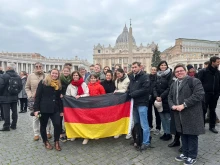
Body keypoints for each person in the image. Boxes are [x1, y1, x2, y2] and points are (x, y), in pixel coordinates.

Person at [168, 63, 205, 165]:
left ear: (185, 71)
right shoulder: (174, 84)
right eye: (177, 71)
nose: (179, 73)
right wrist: (172, 106)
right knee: (183, 134)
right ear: (174, 74)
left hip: (191, 113)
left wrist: (184, 104)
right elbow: (169, 97)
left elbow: (199, 94)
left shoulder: (194, 81)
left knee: (192, 135)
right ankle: (185, 152)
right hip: (179, 114)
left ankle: (192, 156)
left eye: (181, 71)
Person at [34, 68, 63, 151]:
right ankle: (45, 141)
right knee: (43, 126)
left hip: (55, 108)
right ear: (50, 74)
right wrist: (36, 109)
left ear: (58, 75)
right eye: (53, 73)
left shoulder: (59, 84)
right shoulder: (43, 82)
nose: (54, 75)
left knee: (57, 124)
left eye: (56, 74)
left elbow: (59, 99)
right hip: (44, 108)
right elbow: (38, 97)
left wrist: (61, 111)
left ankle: (56, 141)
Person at [25, 62, 52, 141]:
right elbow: (27, 87)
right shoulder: (30, 76)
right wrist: (30, 95)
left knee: (47, 117)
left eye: (40, 66)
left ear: (43, 67)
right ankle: (36, 133)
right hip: (34, 99)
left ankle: (48, 131)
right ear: (34, 67)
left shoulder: (47, 76)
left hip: (45, 99)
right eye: (37, 66)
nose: (38, 67)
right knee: (35, 117)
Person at [127, 62, 151, 150]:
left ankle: (146, 142)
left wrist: (132, 94)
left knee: (144, 124)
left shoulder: (145, 76)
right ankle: (138, 139)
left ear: (140, 67)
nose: (133, 69)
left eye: (135, 67)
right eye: (132, 67)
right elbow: (130, 88)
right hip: (134, 104)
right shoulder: (132, 77)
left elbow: (145, 89)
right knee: (136, 123)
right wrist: (128, 93)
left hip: (142, 103)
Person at [66, 71, 89, 144]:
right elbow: (68, 95)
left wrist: (80, 96)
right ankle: (75, 134)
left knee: (84, 121)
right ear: (72, 76)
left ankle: (86, 136)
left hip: (83, 105)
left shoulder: (83, 84)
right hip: (74, 106)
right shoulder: (70, 85)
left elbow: (87, 93)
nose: (75, 76)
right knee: (75, 120)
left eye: (76, 75)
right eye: (74, 75)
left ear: (79, 76)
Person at [198, 56, 220, 134]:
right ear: (212, 62)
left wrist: (218, 93)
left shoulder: (218, 72)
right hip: (205, 95)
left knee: (212, 110)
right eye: (217, 62)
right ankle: (201, 126)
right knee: (203, 110)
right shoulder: (203, 71)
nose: (219, 63)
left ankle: (212, 126)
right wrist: (201, 93)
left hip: (214, 95)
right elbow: (198, 83)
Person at [153, 61, 172, 141]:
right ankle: (165, 132)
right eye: (161, 65)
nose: (163, 66)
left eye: (165, 65)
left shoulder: (170, 74)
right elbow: (154, 87)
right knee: (162, 117)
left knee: (167, 117)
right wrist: (156, 96)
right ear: (159, 66)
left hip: (166, 99)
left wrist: (161, 96)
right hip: (159, 99)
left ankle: (169, 133)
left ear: (167, 66)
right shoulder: (157, 75)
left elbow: (169, 87)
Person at [0, 63, 22, 131]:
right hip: (14, 97)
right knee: (14, 111)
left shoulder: (4, 76)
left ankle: (6, 126)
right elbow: (20, 87)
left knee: (6, 112)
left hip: (5, 97)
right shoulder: (18, 76)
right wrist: (16, 93)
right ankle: (14, 125)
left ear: (8, 68)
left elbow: (1, 86)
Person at [114, 68, 130, 139]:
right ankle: (119, 131)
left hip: (126, 100)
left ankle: (127, 131)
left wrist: (117, 91)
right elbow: (116, 89)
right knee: (119, 116)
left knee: (126, 116)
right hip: (119, 101)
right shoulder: (116, 80)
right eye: (117, 74)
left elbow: (125, 90)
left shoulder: (127, 80)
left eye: (119, 73)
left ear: (123, 73)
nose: (118, 75)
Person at [59, 67, 72, 142]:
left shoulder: (71, 79)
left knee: (69, 117)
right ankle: (61, 133)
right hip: (60, 100)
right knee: (60, 117)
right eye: (65, 71)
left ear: (69, 72)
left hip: (69, 100)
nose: (66, 72)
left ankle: (68, 132)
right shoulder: (59, 79)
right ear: (62, 71)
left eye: (67, 71)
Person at [148, 67, 161, 135]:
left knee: (157, 113)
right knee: (149, 113)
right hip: (149, 97)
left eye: (155, 70)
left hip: (156, 97)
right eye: (152, 70)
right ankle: (150, 126)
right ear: (150, 70)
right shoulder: (147, 77)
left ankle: (158, 128)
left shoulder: (158, 78)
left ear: (156, 71)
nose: (153, 71)